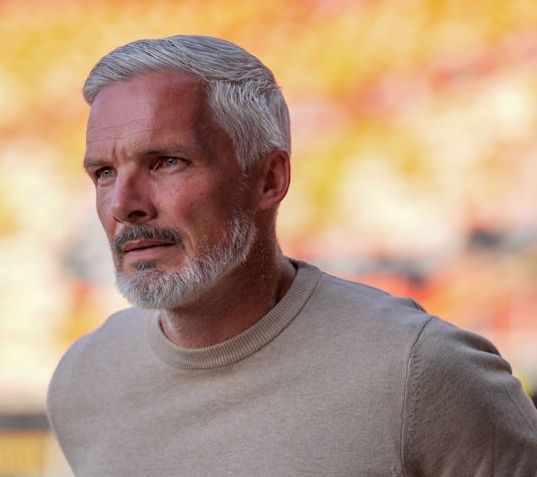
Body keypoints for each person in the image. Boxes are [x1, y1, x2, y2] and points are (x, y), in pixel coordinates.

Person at [47, 35, 537, 476]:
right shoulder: (85, 379)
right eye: (104, 172)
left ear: (269, 179)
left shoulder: (421, 369)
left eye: (167, 161)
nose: (123, 204)